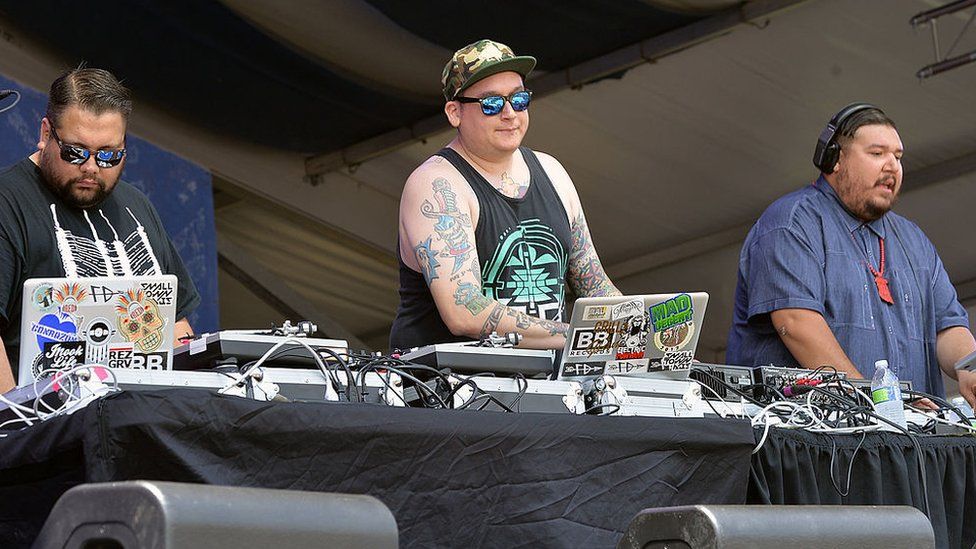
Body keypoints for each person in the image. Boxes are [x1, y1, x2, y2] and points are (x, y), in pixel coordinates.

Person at [727, 102, 976, 406]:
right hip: (811, 443)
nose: (892, 165)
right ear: (835, 159)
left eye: (897, 156)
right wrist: (877, 402)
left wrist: (969, 368)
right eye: (876, 153)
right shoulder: (789, 223)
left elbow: (947, 326)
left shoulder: (914, 240)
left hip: (910, 442)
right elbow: (795, 323)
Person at [390, 39, 620, 351]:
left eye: (519, 99)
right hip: (451, 392)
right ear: (454, 112)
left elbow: (594, 284)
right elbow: (464, 311)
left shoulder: (552, 171)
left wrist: (639, 328)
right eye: (492, 104)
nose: (510, 113)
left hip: (550, 389)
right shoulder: (437, 184)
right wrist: (578, 336)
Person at [0, 68, 200, 392]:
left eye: (109, 155)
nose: (91, 167)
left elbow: (175, 324)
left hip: (138, 425)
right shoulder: (7, 202)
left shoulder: (137, 205)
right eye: (75, 152)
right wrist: (12, 430)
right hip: (43, 430)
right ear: (46, 132)